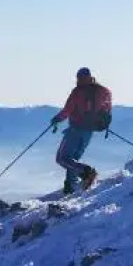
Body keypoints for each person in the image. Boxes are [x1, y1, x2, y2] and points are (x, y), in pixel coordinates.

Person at [50, 66, 113, 194]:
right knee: (73, 161)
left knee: (62, 159)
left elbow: (68, 110)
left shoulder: (78, 92)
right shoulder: (103, 91)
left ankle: (87, 172)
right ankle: (70, 188)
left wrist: (57, 119)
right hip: (89, 131)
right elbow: (107, 110)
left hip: (75, 129)